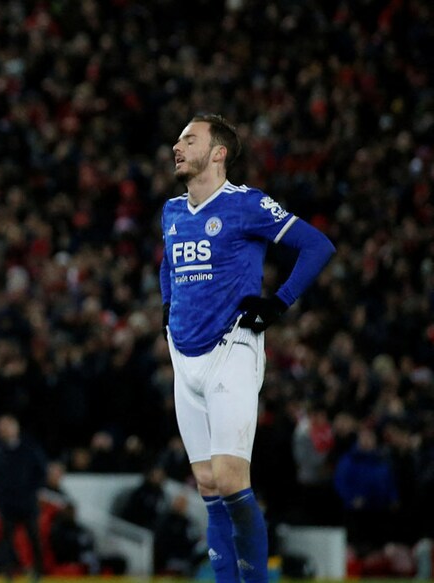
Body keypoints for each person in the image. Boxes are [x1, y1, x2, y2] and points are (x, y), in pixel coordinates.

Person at [160, 114, 335, 583]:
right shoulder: (172, 211)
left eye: (188, 139)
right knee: (207, 485)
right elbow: (168, 263)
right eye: (177, 140)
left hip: (231, 348)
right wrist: (165, 307)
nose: (177, 146)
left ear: (218, 153)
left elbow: (317, 246)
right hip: (184, 358)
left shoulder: (246, 204)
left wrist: (278, 305)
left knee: (232, 479)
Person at [0, 415, 46, 581]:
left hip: (27, 502)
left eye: (6, 426)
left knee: (34, 537)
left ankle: (39, 571)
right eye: (0, 428)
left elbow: (41, 472)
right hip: (7, 504)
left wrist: (32, 490)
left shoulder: (30, 449)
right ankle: (8, 572)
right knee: (6, 541)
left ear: (15, 427)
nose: (2, 431)